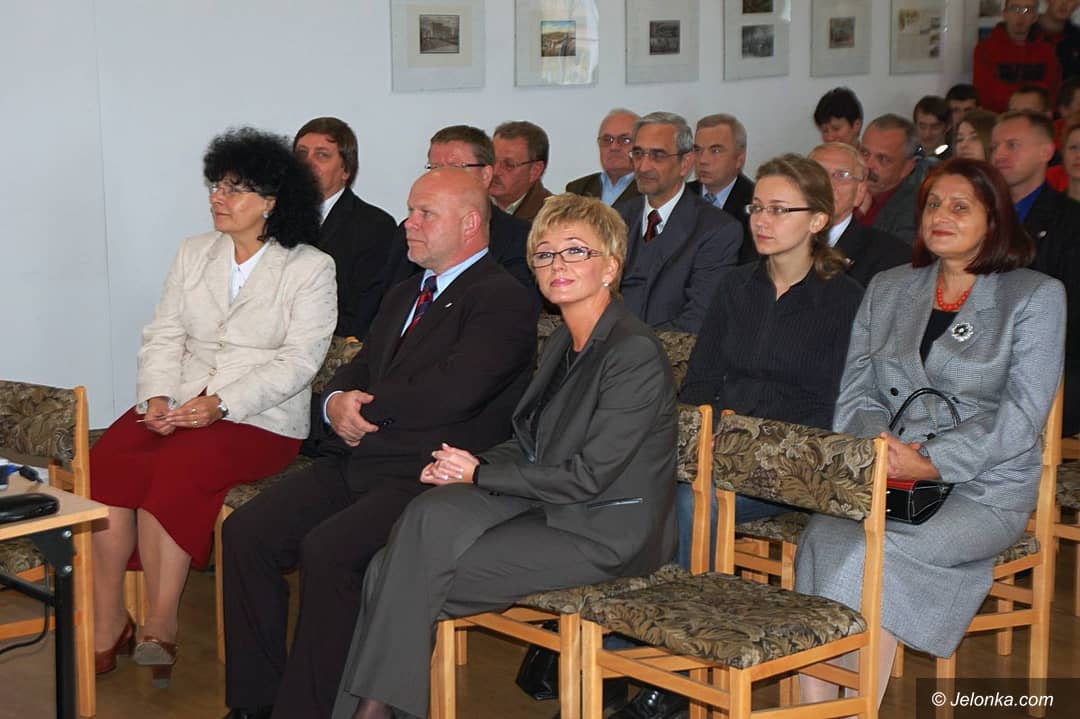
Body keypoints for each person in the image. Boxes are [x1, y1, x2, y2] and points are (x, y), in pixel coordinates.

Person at [330, 193, 678, 719]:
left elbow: (590, 476)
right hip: (549, 506)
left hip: (603, 531)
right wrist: (460, 464)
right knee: (423, 520)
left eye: (575, 251)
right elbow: (530, 441)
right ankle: (373, 712)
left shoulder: (633, 353)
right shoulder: (562, 341)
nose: (557, 265)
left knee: (392, 575)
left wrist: (480, 474)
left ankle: (369, 713)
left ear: (610, 267)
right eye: (544, 254)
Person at [220, 168, 539, 719]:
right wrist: (334, 401)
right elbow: (359, 365)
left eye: (424, 214)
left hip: (427, 476)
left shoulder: (502, 298)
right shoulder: (405, 292)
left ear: (469, 224)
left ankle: (309, 710)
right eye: (410, 211)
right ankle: (256, 704)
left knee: (330, 552)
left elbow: (455, 391)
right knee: (247, 533)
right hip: (361, 458)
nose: (408, 224)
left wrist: (361, 406)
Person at [796, 158, 1065, 710]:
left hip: (982, 488)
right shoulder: (891, 286)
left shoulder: (1033, 295)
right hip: (889, 475)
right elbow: (857, 391)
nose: (941, 215)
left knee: (874, 556)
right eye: (933, 205)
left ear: (994, 219)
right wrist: (882, 449)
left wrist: (934, 460)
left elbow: (1021, 414)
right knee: (826, 538)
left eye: (960, 206)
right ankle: (820, 709)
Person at [608, 153, 870, 719]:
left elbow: (835, 404)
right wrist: (709, 434)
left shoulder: (846, 299)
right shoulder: (735, 287)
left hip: (795, 465)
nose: (762, 220)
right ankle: (626, 638)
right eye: (757, 208)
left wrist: (744, 441)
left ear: (817, 220)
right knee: (635, 487)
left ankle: (677, 673)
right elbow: (701, 382)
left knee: (689, 503)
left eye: (779, 210)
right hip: (721, 453)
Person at [90, 128, 337, 688]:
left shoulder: (310, 267)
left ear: (272, 202)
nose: (217, 198)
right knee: (109, 460)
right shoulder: (193, 251)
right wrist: (157, 396)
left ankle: (161, 623)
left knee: (180, 467)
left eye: (234, 189)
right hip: (179, 400)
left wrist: (221, 405)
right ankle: (110, 618)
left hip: (258, 418)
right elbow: (164, 333)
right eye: (217, 185)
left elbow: (299, 363)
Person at [992, 110, 1080, 433]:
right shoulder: (979, 214)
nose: (999, 155)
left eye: (1012, 145)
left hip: (1048, 363)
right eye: (995, 146)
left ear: (1046, 152)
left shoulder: (1071, 221)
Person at [616, 111, 742, 332]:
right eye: (638, 153)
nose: (643, 166)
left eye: (658, 155)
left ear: (685, 163)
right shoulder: (617, 217)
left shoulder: (716, 230)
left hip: (669, 350)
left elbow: (698, 319)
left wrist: (634, 349)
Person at [377, 125, 534, 291]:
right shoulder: (409, 230)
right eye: (435, 168)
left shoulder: (520, 238)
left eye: (455, 168)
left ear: (486, 175)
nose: (441, 176)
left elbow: (507, 299)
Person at [293, 117, 397, 339]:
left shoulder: (374, 226)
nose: (307, 163)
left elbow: (364, 313)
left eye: (322, 155)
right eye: (301, 154)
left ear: (346, 170)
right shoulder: (269, 217)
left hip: (334, 346)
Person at [809, 142, 911, 287]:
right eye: (817, 173)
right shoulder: (779, 240)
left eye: (842, 175)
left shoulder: (892, 256)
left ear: (860, 192)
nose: (827, 184)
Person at [687, 113, 756, 262]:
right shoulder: (680, 195)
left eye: (715, 151)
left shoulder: (756, 204)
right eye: (697, 150)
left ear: (739, 159)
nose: (703, 160)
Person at [858, 114, 934, 245]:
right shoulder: (843, 189)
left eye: (882, 159)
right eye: (865, 153)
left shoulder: (913, 212)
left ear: (907, 168)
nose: (868, 165)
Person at [974, 0, 1061, 113]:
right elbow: (985, 93)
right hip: (998, 117)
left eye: (1027, 10)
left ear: (1035, 17)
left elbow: (1051, 92)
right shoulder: (985, 50)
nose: (1021, 16)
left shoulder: (1047, 51)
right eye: (1015, 8)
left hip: (1036, 117)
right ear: (1005, 14)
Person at [565, 108, 642, 207]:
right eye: (607, 140)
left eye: (625, 140)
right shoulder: (578, 189)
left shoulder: (650, 188)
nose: (614, 147)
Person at [491, 120, 554, 220]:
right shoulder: (471, 203)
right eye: (492, 160)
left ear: (535, 171)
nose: (495, 171)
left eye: (509, 165)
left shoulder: (553, 218)